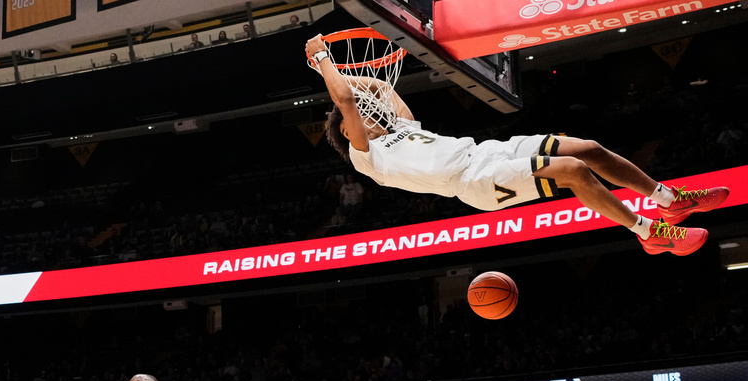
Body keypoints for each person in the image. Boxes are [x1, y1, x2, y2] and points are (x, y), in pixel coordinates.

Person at [306, 33, 729, 257]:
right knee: (573, 173)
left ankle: (668, 198)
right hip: (474, 181)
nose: (365, 108)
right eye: (356, 114)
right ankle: (648, 231)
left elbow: (376, 85)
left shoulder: (401, 125)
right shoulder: (367, 156)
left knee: (587, 148)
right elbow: (344, 100)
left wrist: (358, 83)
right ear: (347, 131)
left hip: (485, 152)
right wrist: (322, 58)